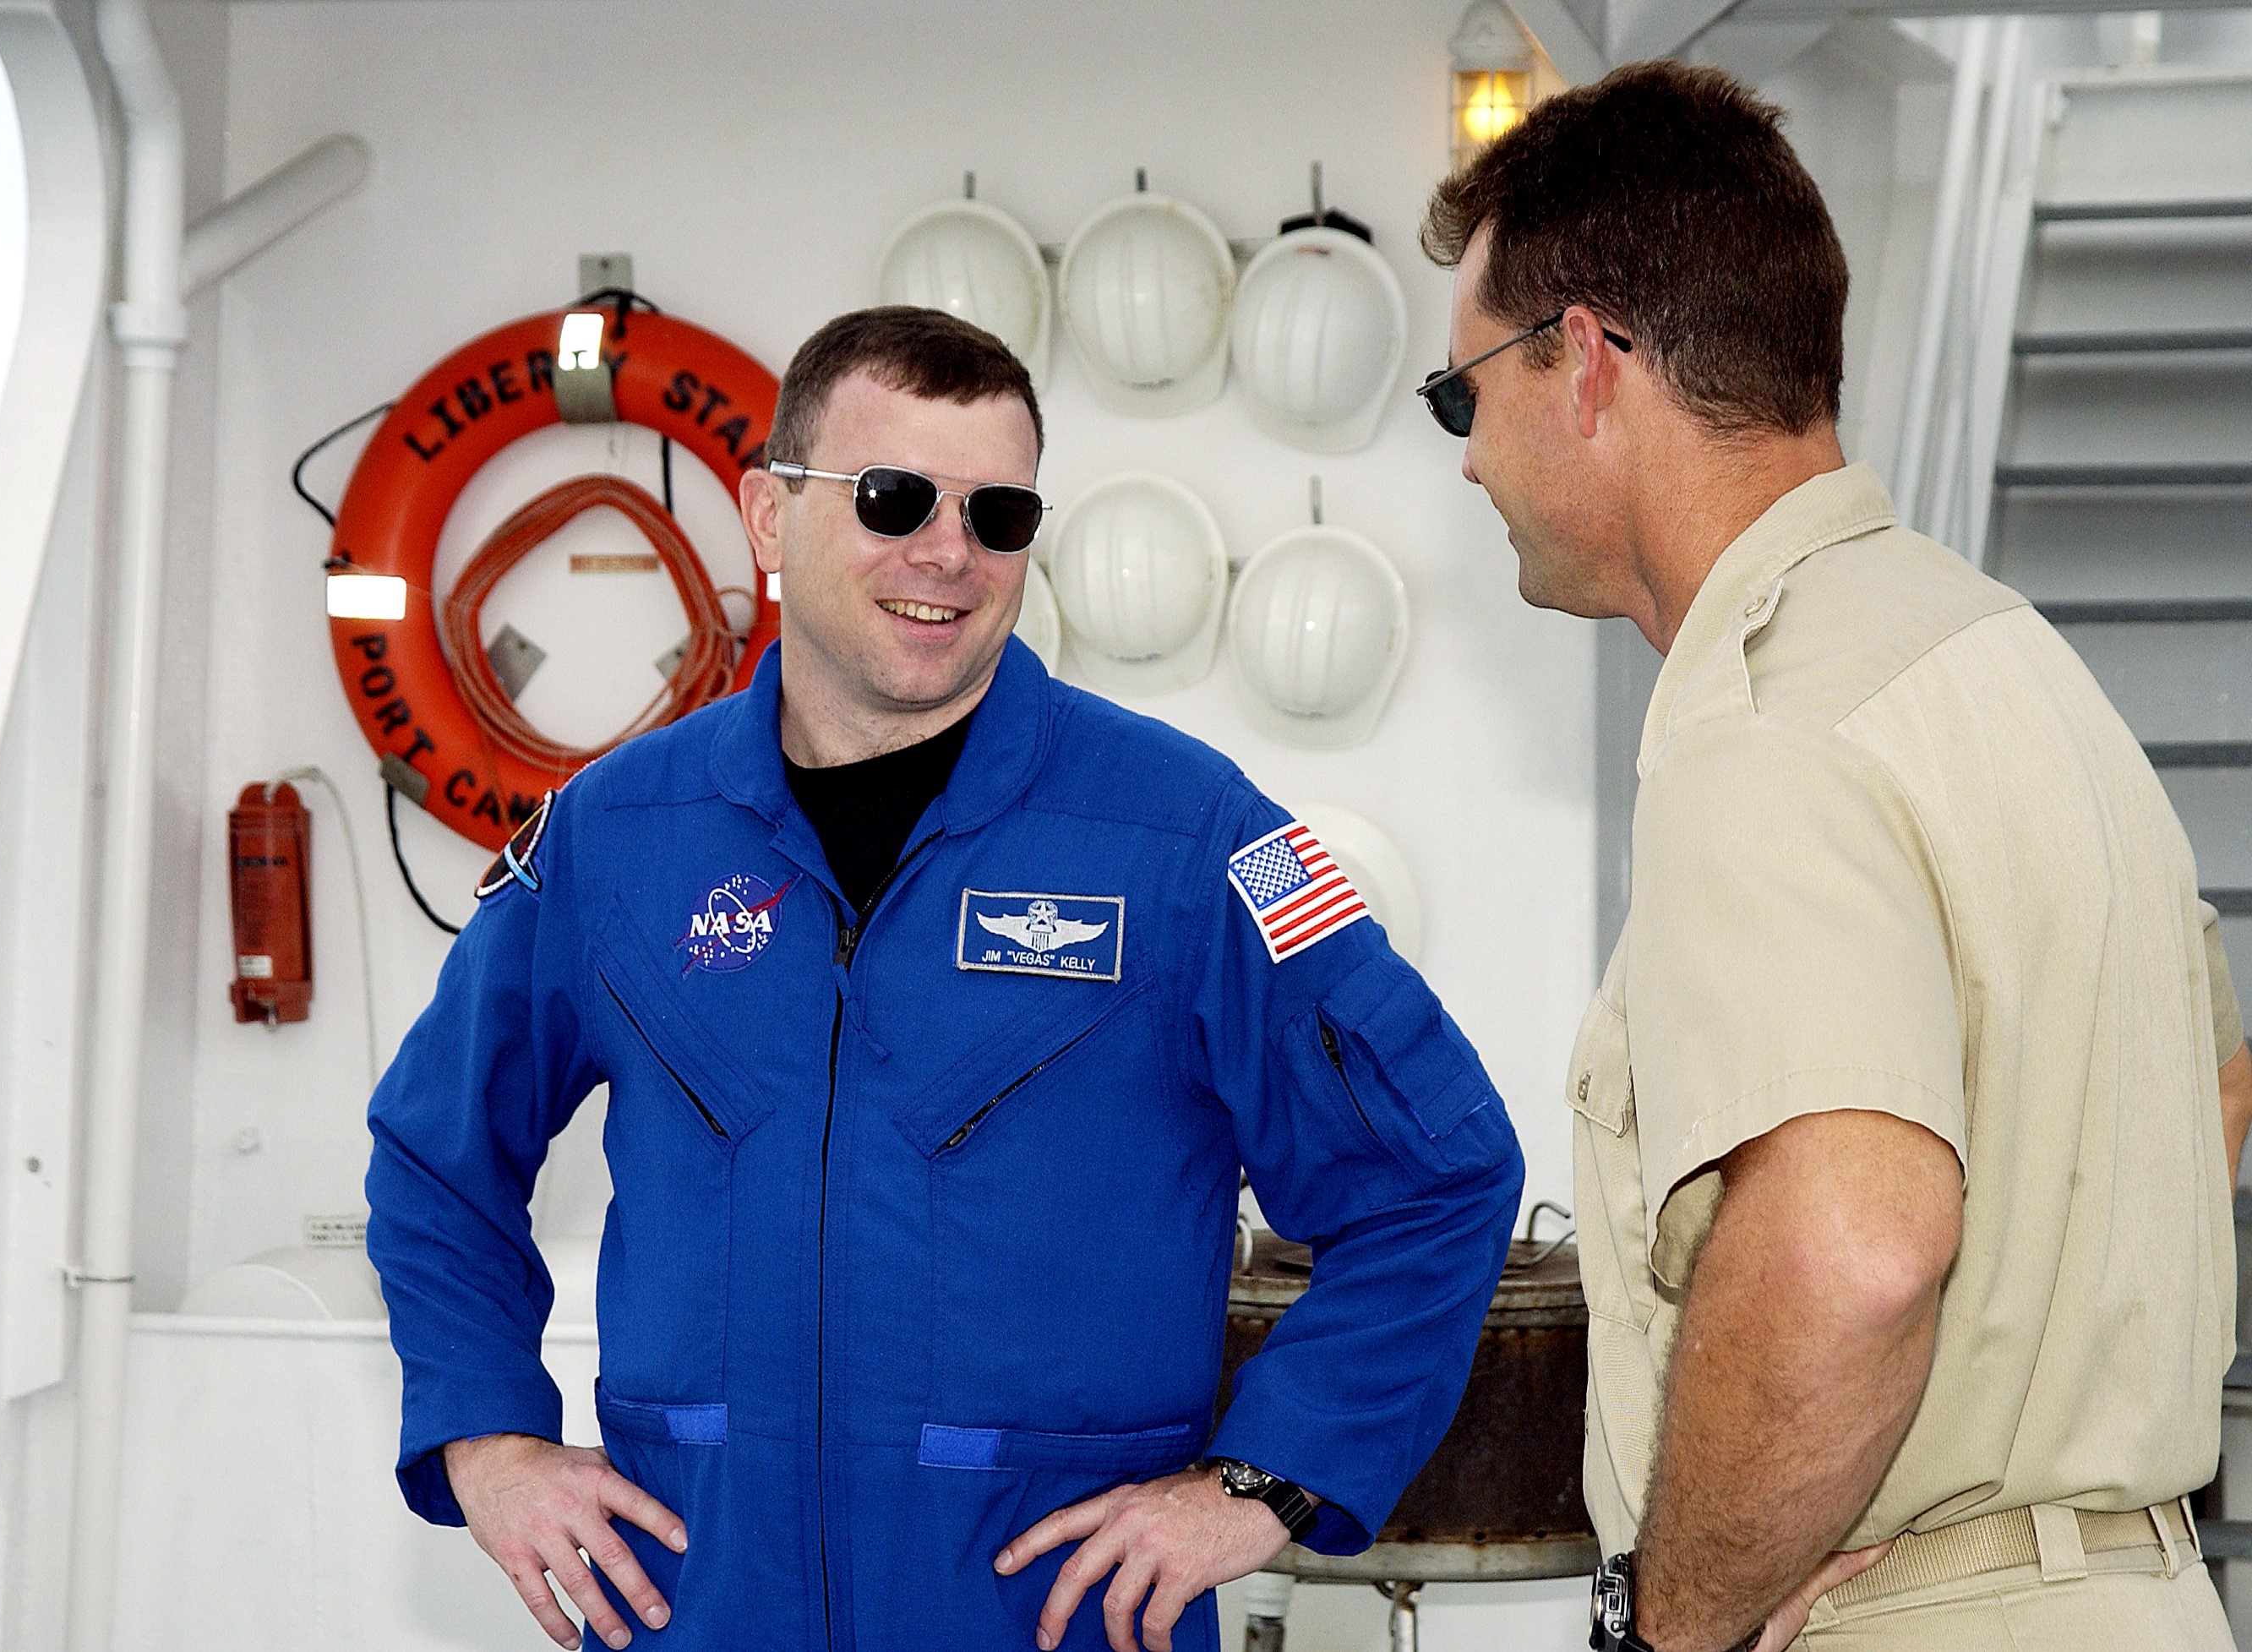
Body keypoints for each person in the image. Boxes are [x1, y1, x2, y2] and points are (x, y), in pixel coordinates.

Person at [364, 305, 1524, 1652]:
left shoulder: (1190, 839)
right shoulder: (615, 841)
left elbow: (1438, 1175)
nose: (948, 553)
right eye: (894, 498)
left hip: (1047, 1617)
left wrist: (1265, 1480)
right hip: (704, 1605)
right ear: (767, 516)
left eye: (999, 515)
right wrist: (489, 1438)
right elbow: (436, 1150)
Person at [1415, 61, 2252, 1652]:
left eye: (1463, 396)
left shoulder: (1764, 723)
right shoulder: (2009, 663)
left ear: (1582, 363)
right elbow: (2213, 1080)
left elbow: (1855, 1253)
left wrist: (1680, 1622)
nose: (1465, 459)